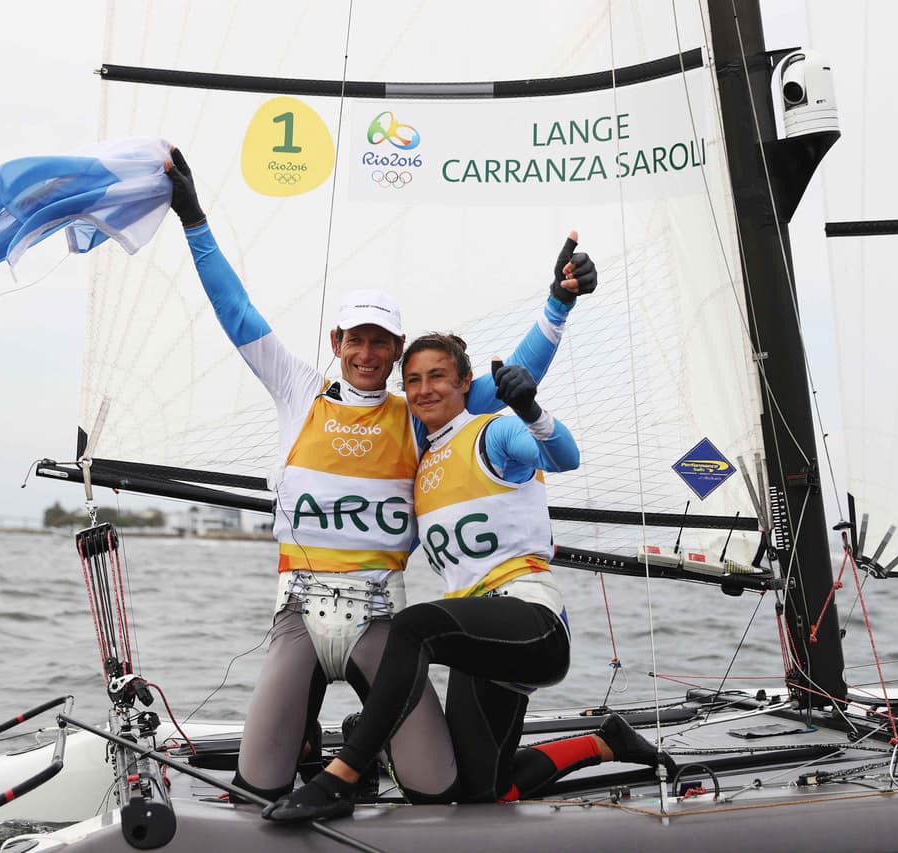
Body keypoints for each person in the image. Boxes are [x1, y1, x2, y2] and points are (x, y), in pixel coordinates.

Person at [163, 148, 597, 804]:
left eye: (380, 342)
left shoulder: (417, 415)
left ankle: (359, 745)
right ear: (336, 342)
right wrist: (192, 217)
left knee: (439, 787)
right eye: (354, 340)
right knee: (259, 788)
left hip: (378, 621)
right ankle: (317, 747)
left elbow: (508, 381)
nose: (366, 353)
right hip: (299, 615)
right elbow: (237, 312)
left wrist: (557, 303)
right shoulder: (297, 389)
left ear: (395, 351)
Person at [264, 335, 671, 820]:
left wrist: (530, 408)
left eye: (437, 376)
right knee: (477, 792)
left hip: (532, 621)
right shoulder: (420, 471)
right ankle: (605, 741)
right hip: (477, 642)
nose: (424, 388)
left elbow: (563, 456)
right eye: (413, 380)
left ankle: (342, 775)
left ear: (464, 384)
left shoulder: (491, 433)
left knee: (412, 628)